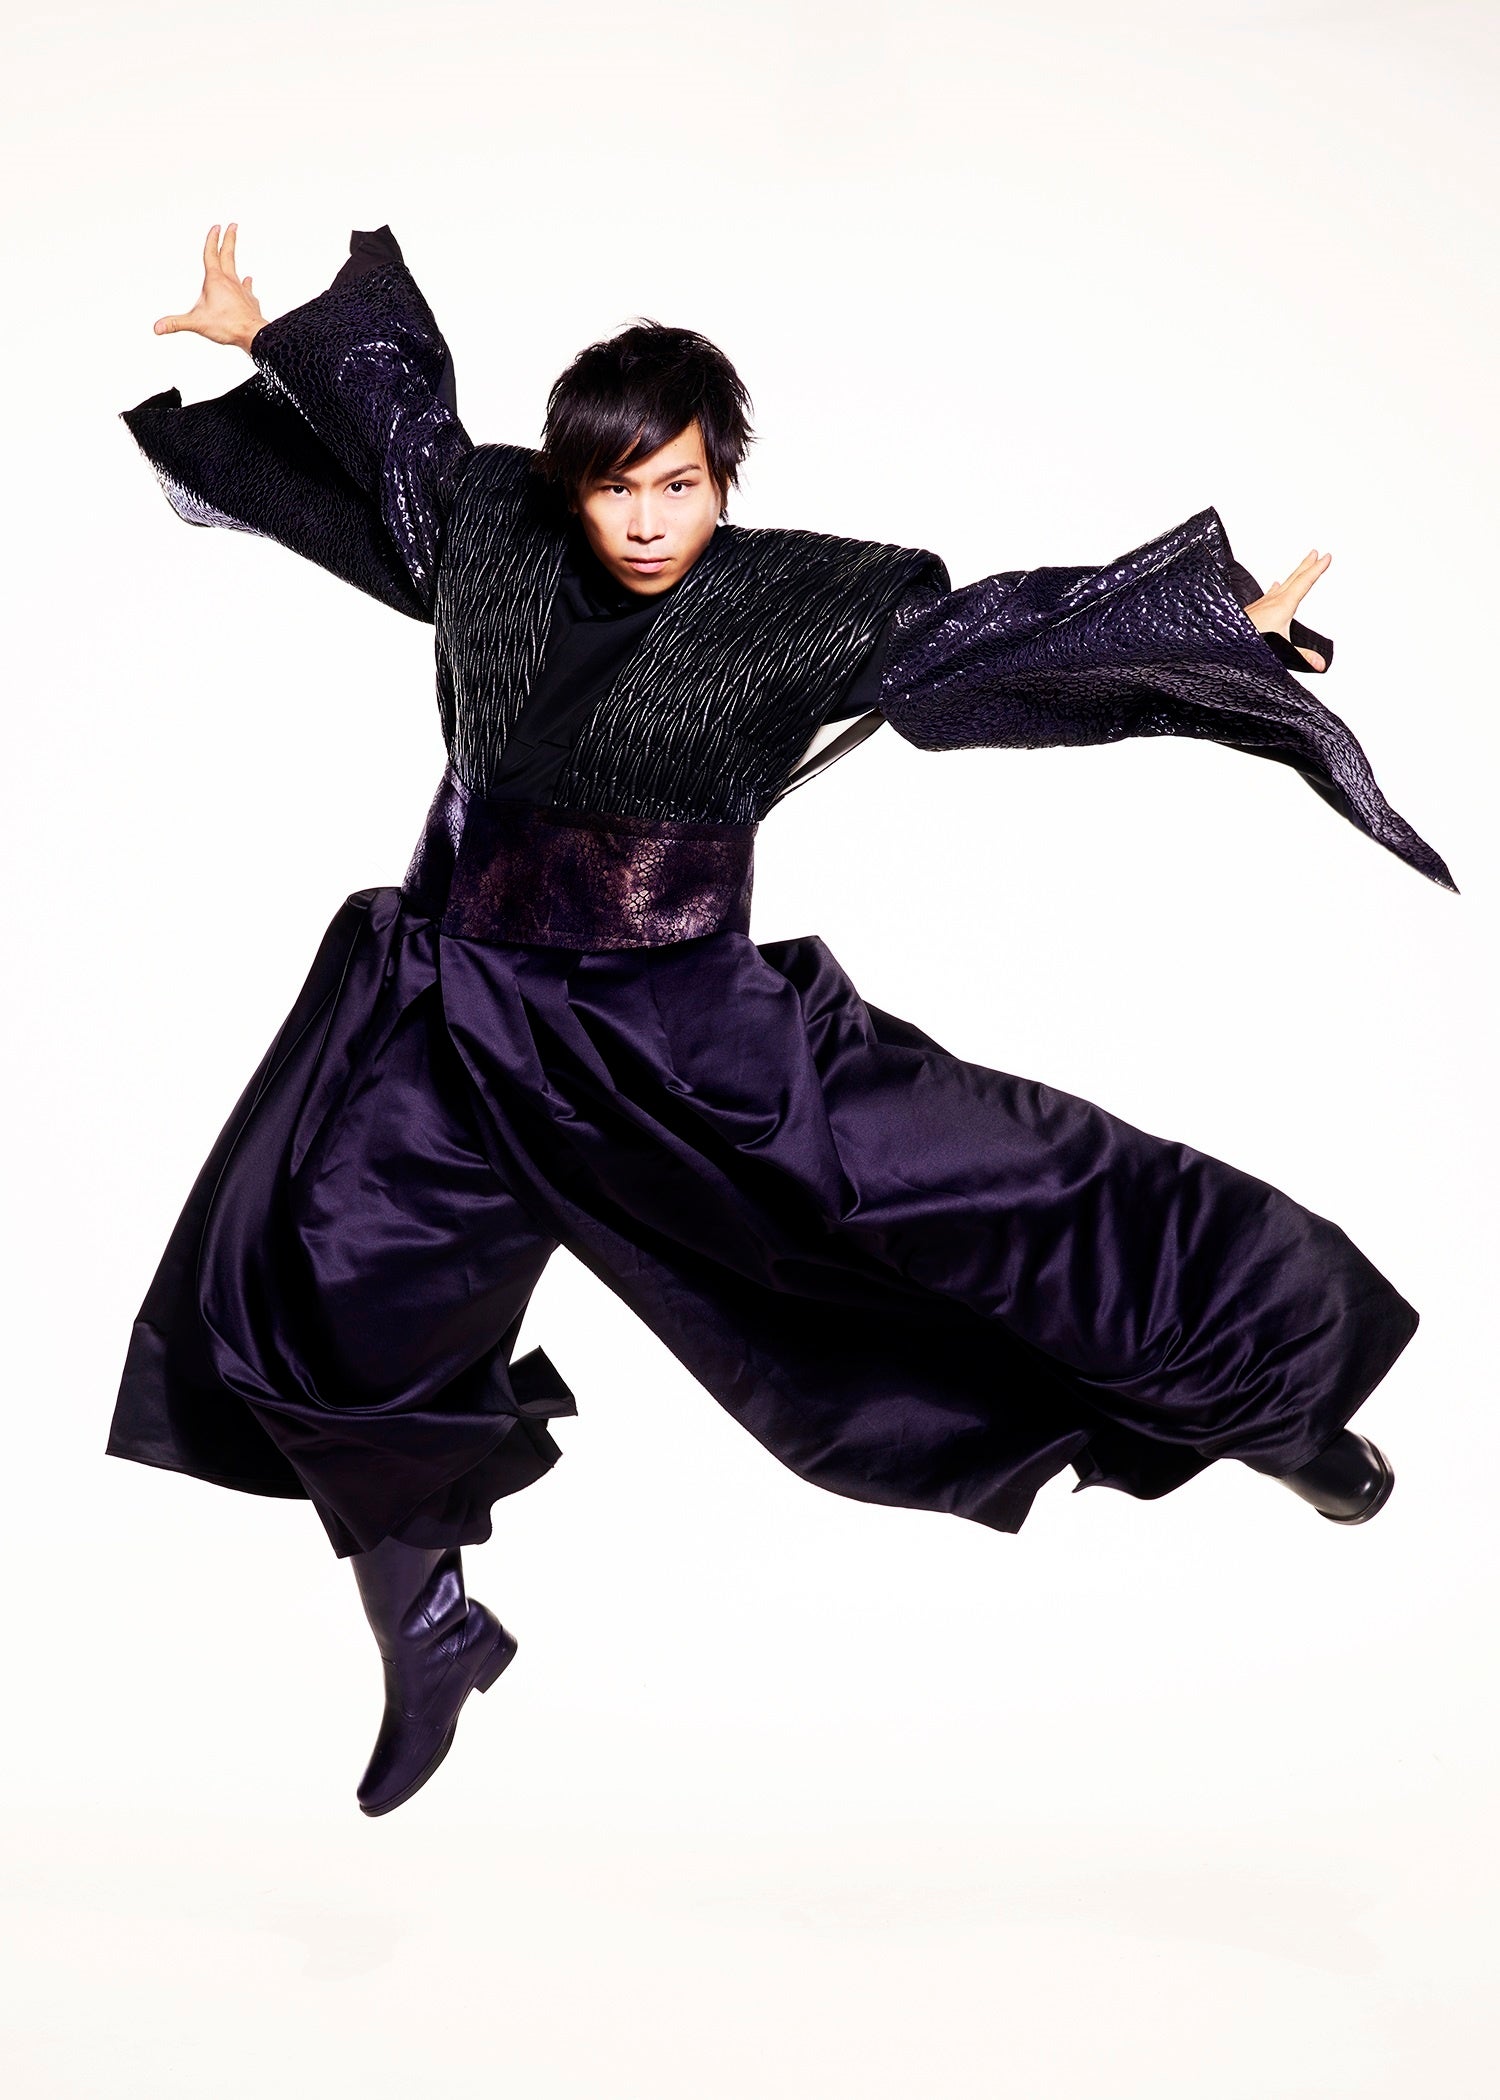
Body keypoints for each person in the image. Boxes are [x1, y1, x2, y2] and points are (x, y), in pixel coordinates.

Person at [109, 222, 1455, 1818]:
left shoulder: (799, 601)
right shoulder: (490, 528)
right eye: (615, 487)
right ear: (567, 482)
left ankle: (1277, 1402)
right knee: (334, 1295)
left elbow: (998, 639)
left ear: (723, 477)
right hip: (450, 1018)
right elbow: (398, 436)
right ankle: (431, 1632)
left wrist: (1223, 636)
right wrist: (268, 334)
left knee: (1003, 1192)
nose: (646, 520)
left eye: (678, 484)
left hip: (677, 1038)